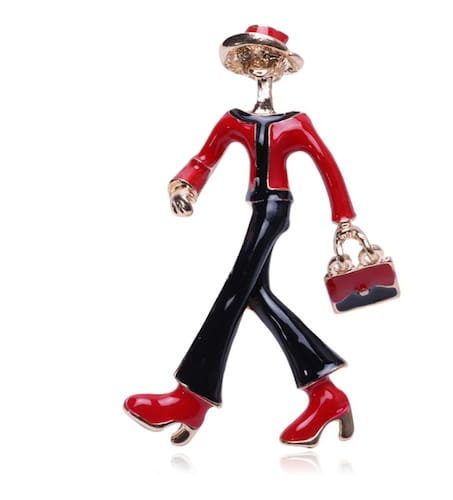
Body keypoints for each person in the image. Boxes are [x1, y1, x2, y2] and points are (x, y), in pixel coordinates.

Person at [124, 25, 356, 447]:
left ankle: (191, 398)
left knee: (233, 292)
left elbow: (328, 166)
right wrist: (185, 186)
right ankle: (326, 395)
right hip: (258, 208)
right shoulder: (234, 121)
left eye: (268, 59)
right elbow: (204, 158)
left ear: (281, 67)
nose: (259, 66)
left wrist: (343, 218)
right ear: (242, 66)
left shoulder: (297, 123)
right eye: (251, 58)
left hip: (275, 211)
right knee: (257, 296)